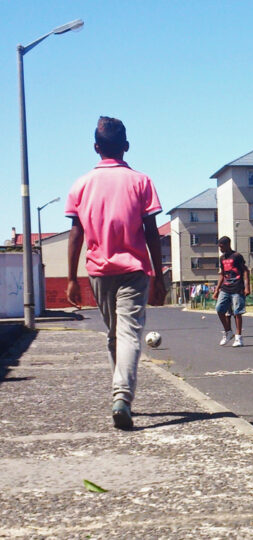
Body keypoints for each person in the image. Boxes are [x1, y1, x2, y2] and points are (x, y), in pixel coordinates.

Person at [65, 116, 166, 430]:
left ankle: (120, 395)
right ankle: (121, 396)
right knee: (125, 335)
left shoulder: (81, 185)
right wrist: (159, 277)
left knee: (115, 335)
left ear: (96, 147)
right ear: (126, 146)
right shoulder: (141, 181)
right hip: (134, 269)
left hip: (99, 272)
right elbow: (151, 232)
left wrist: (71, 278)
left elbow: (75, 234)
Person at [212, 236, 250, 347]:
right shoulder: (222, 258)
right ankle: (228, 332)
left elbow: (245, 271)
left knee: (237, 312)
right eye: (219, 247)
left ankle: (238, 338)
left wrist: (247, 287)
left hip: (237, 287)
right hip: (225, 288)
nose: (220, 249)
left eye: (222, 246)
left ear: (228, 244)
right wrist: (217, 290)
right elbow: (222, 275)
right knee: (219, 309)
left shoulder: (237, 256)